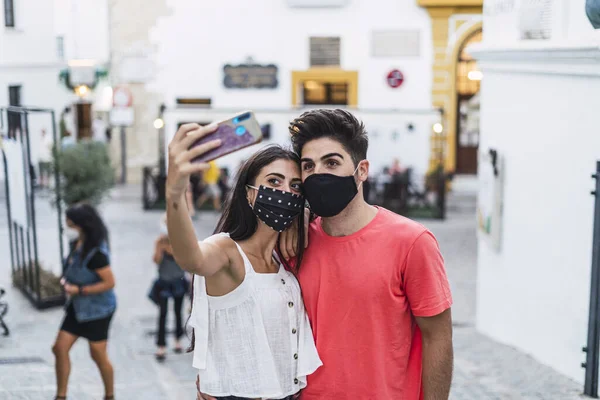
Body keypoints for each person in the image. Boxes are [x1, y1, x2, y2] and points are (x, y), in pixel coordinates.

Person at [198, 109, 453, 400]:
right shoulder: (292, 242)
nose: (318, 174)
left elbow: (438, 337)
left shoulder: (412, 242)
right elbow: (242, 305)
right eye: (308, 166)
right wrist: (217, 375)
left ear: (362, 170)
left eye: (331, 162)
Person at [166, 124, 322, 400]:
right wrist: (175, 194)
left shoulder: (282, 258)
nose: (286, 192)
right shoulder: (227, 250)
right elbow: (192, 258)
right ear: (249, 193)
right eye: (274, 182)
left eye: (295, 186)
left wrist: (307, 216)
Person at [52, 203, 116, 400]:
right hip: (77, 307)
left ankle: (109, 395)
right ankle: (61, 396)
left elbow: (109, 283)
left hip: (98, 310)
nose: (66, 226)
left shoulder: (96, 254)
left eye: (69, 223)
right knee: (59, 348)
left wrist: (79, 289)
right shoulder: (75, 245)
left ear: (81, 225)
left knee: (97, 354)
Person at [150, 214, 187, 361]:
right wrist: (160, 247)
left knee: (178, 312)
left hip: (178, 280)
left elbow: (185, 261)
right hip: (164, 281)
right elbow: (156, 260)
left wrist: (173, 247)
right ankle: (161, 345)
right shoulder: (159, 241)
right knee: (162, 313)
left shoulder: (182, 240)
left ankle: (177, 340)